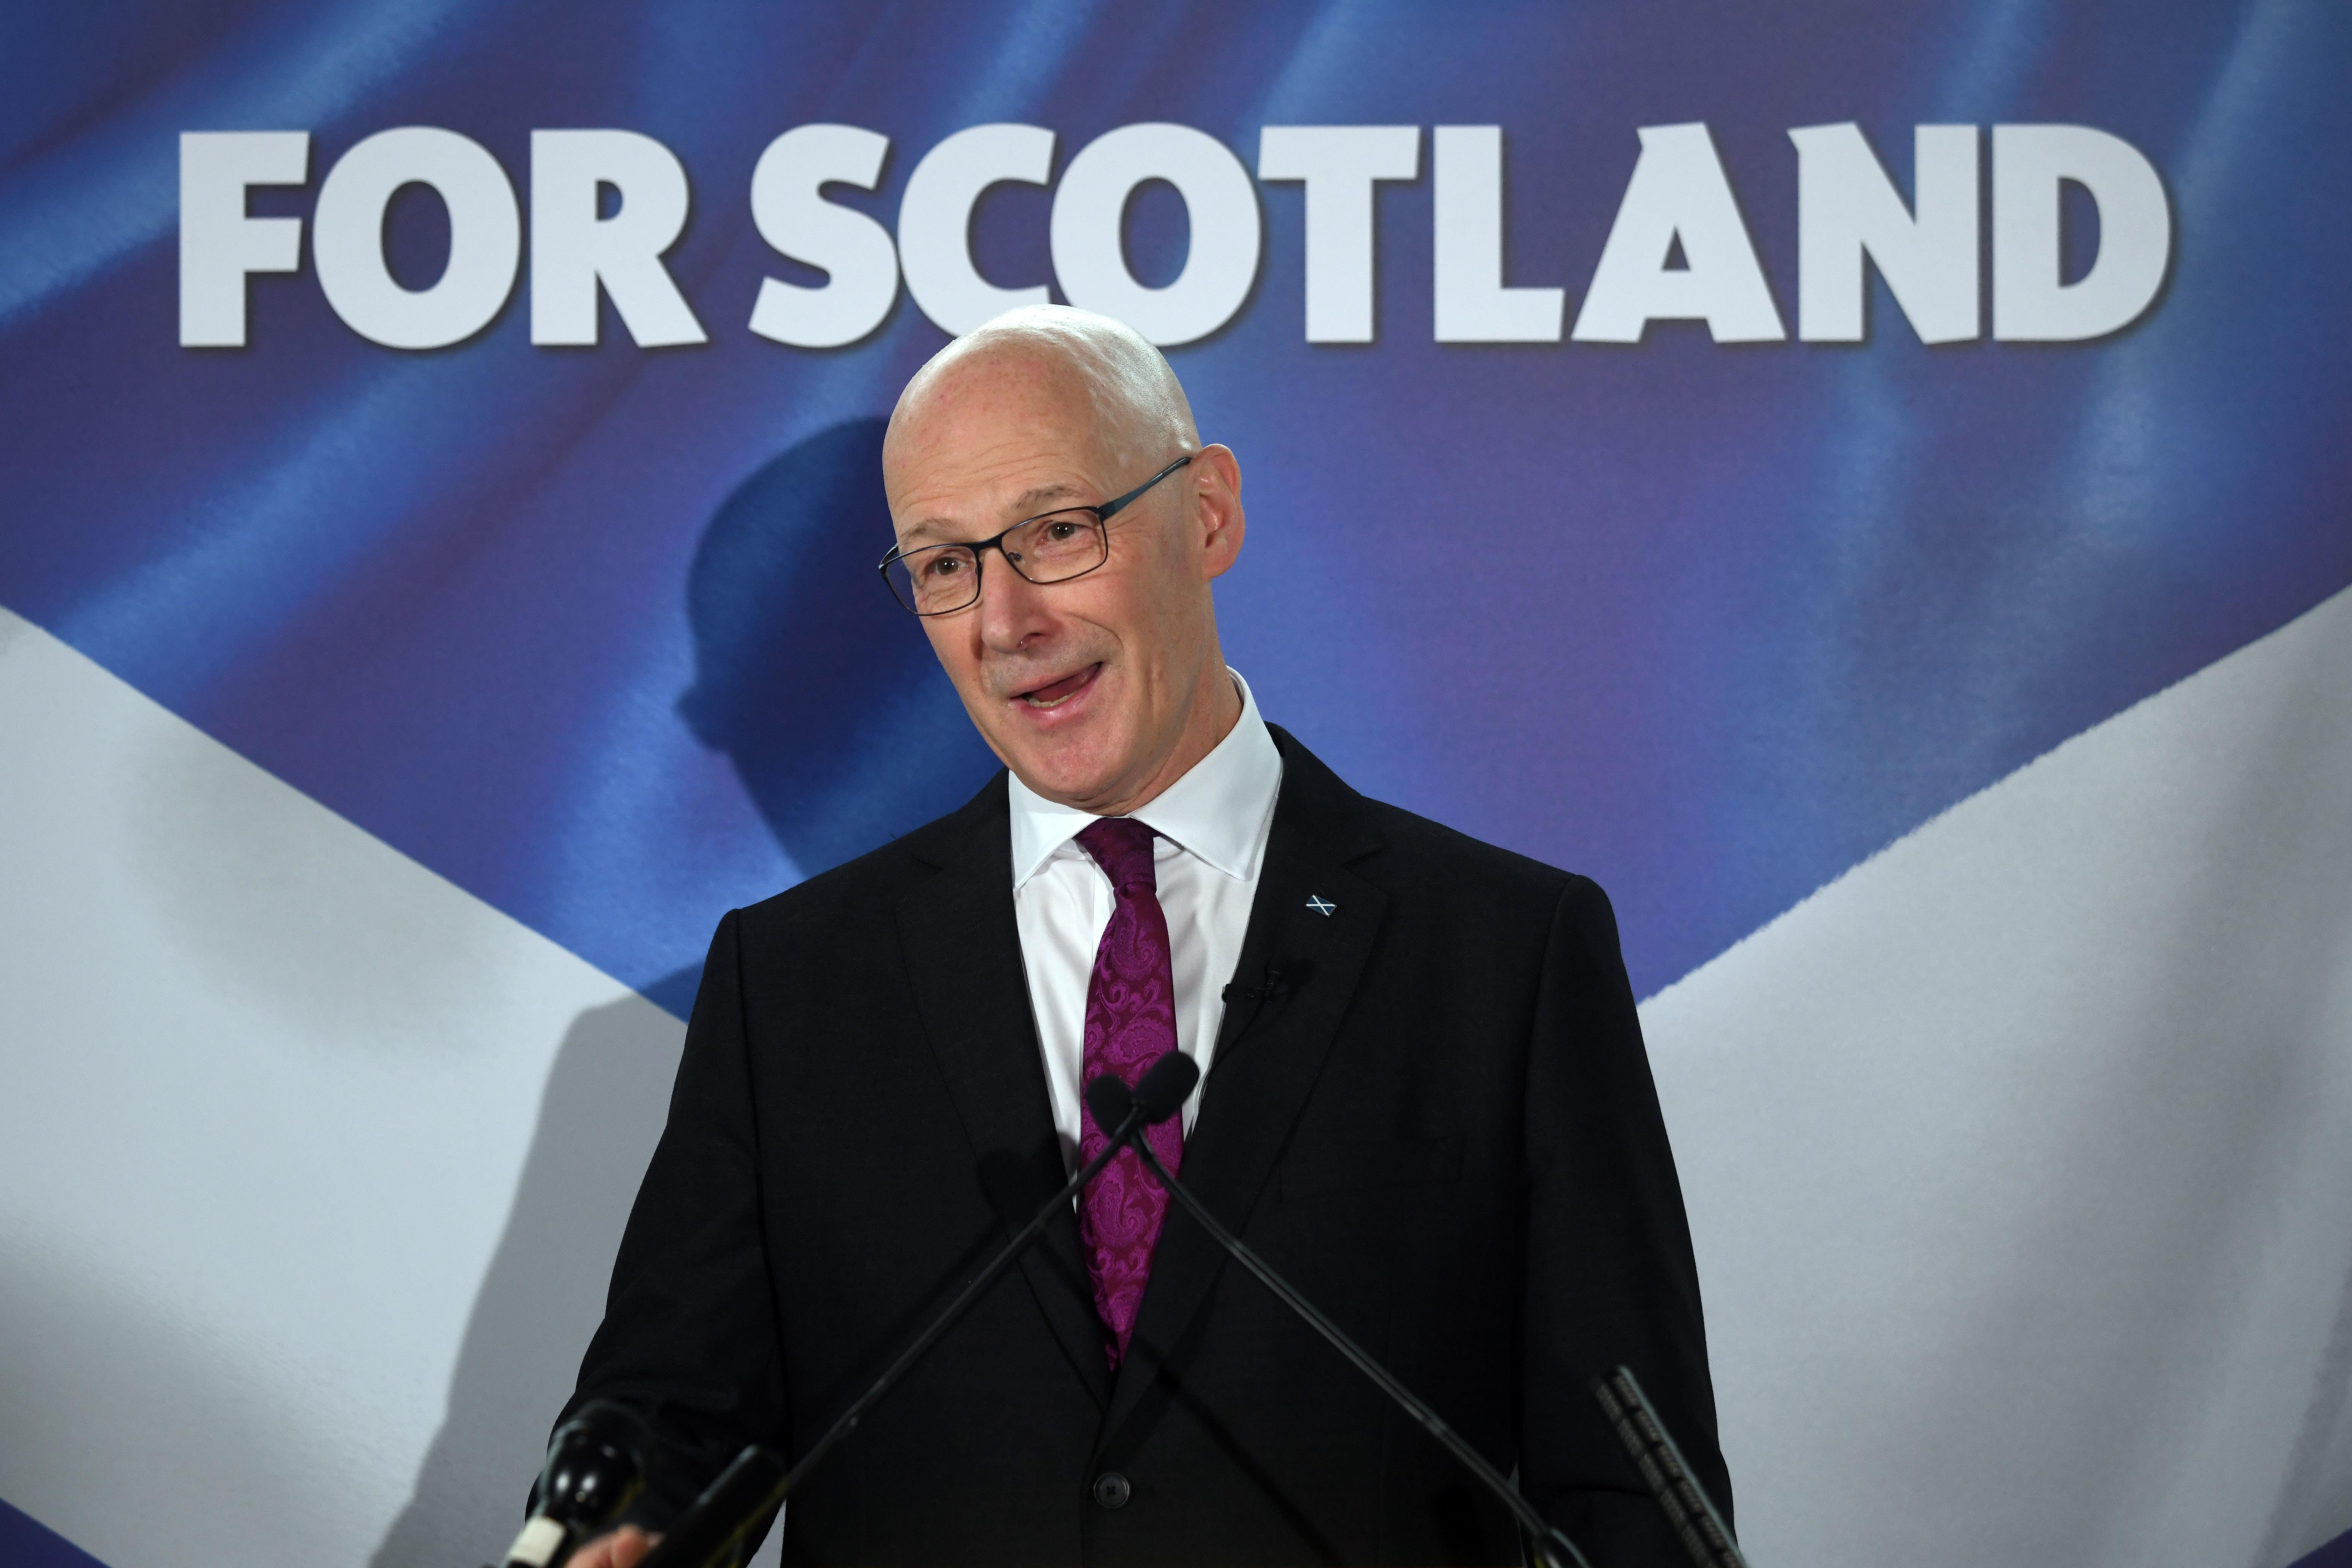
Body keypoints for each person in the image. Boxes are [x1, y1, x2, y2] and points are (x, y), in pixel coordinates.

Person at [552, 305, 1729, 1567]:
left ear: (1207, 513)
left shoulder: (1507, 957)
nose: (1006, 622)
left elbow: (1633, 1493)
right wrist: (613, 1536)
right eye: (946, 565)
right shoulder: (791, 987)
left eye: (1058, 532)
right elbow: (669, 1428)